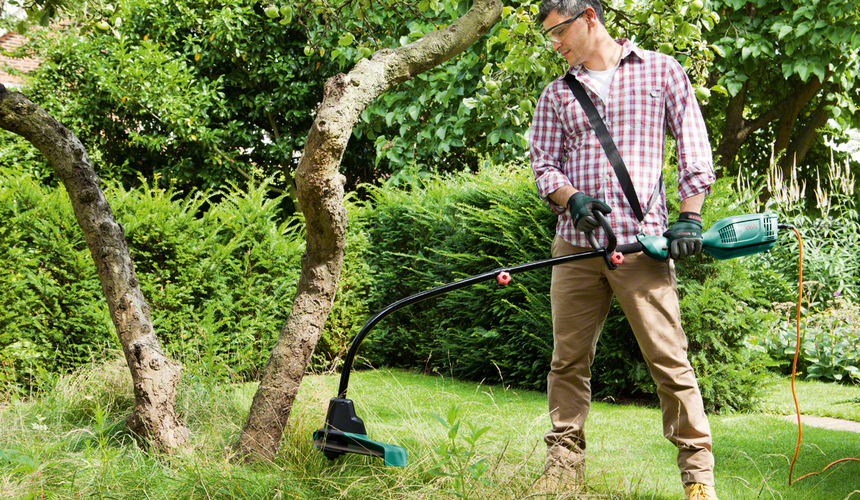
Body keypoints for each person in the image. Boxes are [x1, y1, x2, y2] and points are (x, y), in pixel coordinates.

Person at [528, 1, 718, 499]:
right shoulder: (556, 95)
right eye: (549, 37)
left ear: (589, 17)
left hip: (640, 245)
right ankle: (562, 473)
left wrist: (690, 216)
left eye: (559, 32)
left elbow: (694, 147)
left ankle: (698, 479)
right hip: (575, 246)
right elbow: (544, 165)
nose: (555, 44)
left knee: (669, 360)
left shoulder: (660, 70)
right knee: (567, 362)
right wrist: (572, 198)